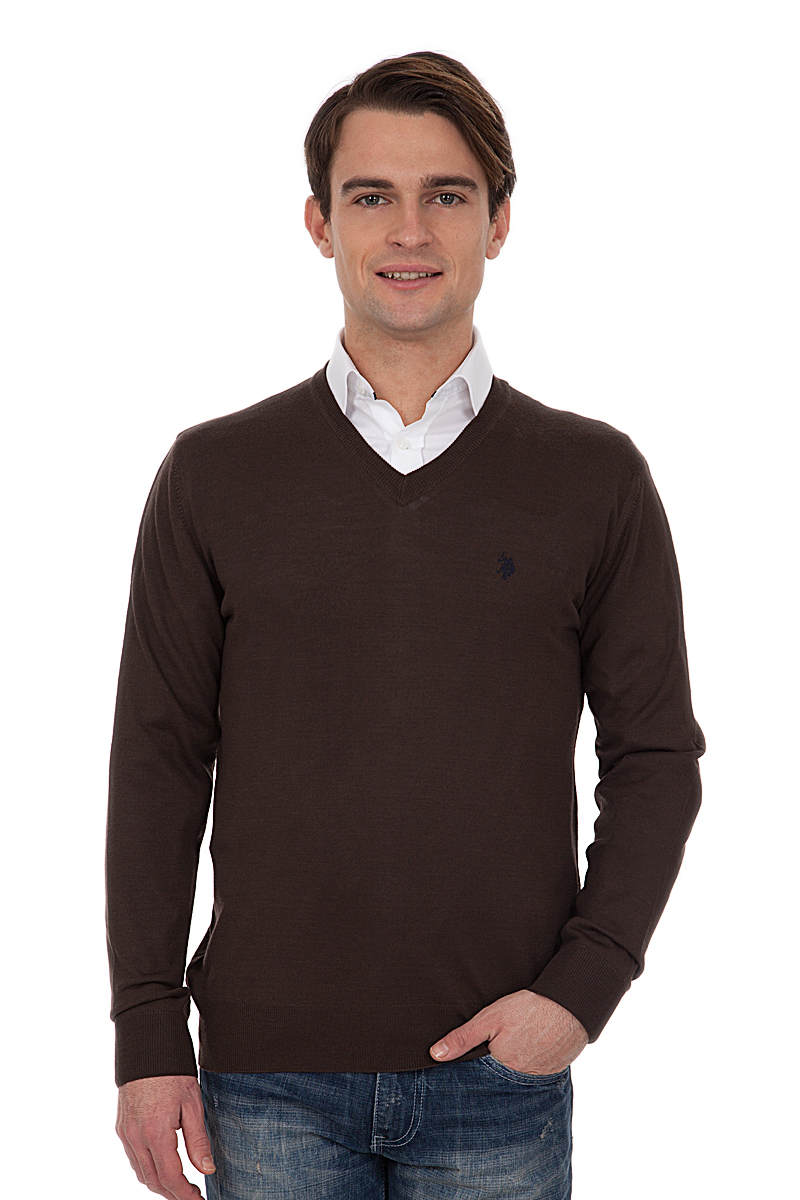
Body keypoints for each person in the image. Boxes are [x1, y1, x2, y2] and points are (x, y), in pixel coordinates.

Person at [106, 50, 705, 1200]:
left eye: (447, 194)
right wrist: (146, 1032)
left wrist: (579, 993)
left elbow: (654, 757)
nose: (409, 230)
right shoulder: (214, 475)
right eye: (371, 195)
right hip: (264, 1081)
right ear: (319, 224)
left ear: (498, 222)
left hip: (498, 1073)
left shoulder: (593, 479)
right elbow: (159, 761)